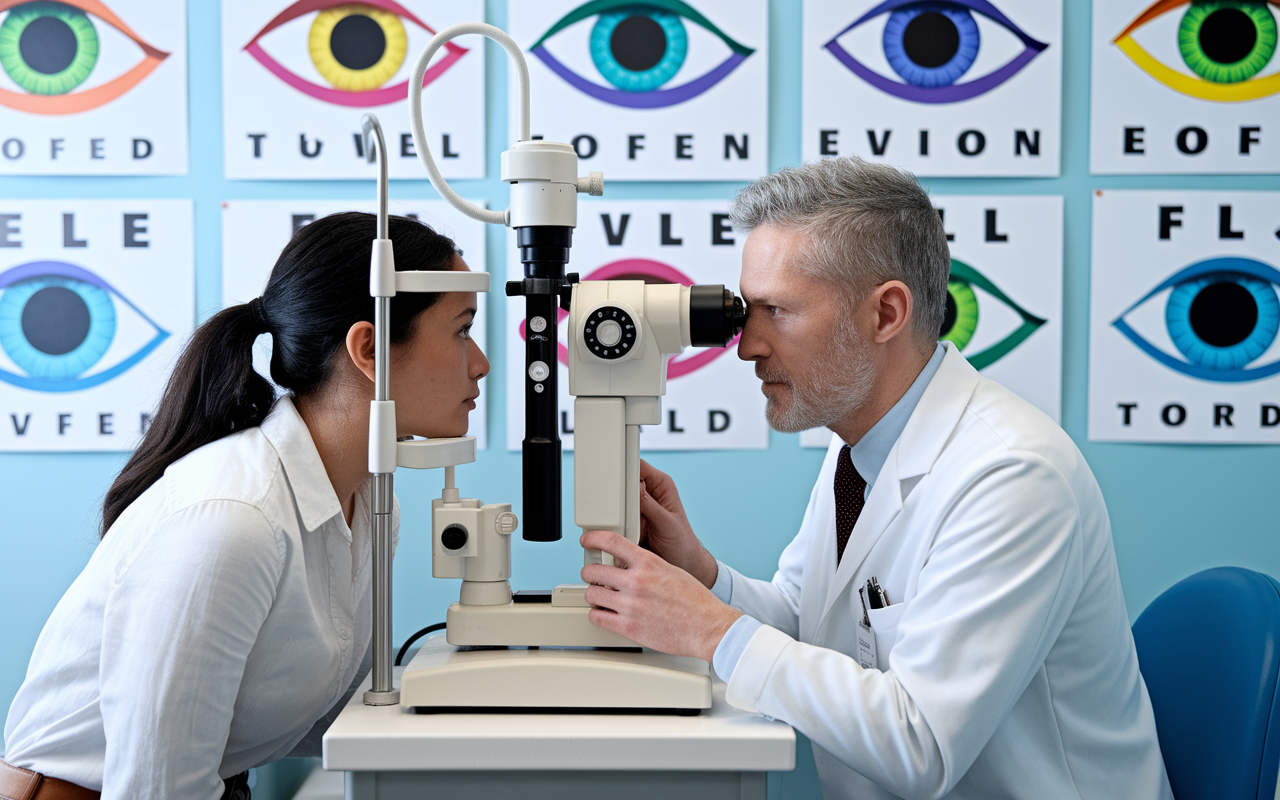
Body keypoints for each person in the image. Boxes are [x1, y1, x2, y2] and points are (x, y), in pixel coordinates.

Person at [577, 158, 1174, 800]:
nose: (747, 345)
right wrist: (699, 574)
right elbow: (809, 626)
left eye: (776, 310)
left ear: (886, 313)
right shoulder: (861, 445)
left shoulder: (1012, 477)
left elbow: (922, 745)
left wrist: (712, 630)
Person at [2, 213, 488, 800]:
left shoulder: (365, 501)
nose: (481, 362)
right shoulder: (234, 519)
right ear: (369, 348)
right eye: (462, 330)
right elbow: (156, 791)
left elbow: (328, 719)